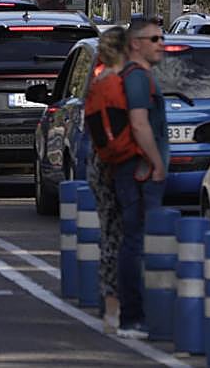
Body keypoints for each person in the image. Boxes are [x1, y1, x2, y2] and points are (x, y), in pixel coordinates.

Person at [115, 16, 169, 339]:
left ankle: (136, 314)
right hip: (139, 171)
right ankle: (132, 318)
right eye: (154, 39)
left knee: (137, 240)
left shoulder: (141, 75)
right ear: (136, 44)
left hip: (138, 169)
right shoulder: (137, 78)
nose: (160, 44)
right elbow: (139, 124)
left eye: (161, 39)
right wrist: (155, 162)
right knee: (134, 242)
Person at [86, 26, 129, 333]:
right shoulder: (113, 85)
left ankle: (109, 305)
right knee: (115, 234)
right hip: (110, 165)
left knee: (108, 232)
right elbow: (116, 130)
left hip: (98, 163)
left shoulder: (97, 82)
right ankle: (113, 309)